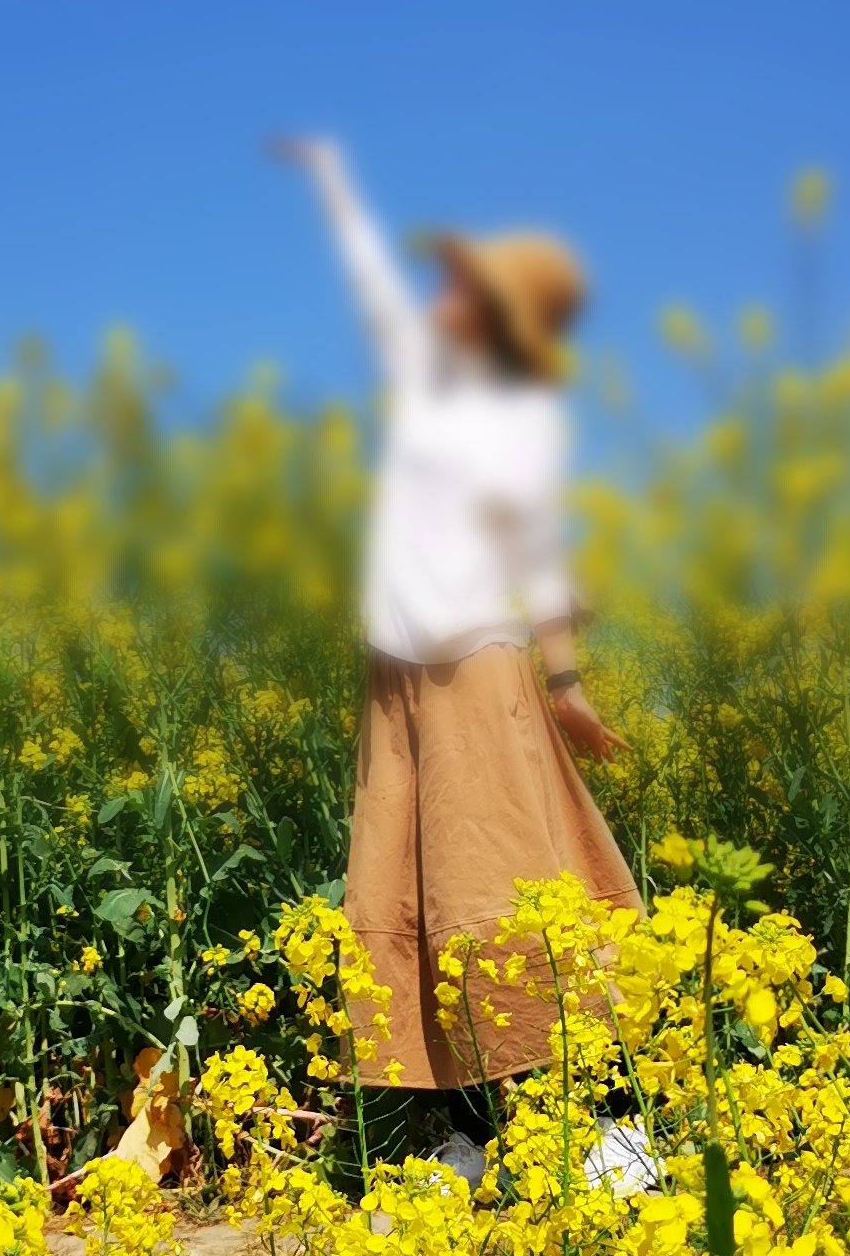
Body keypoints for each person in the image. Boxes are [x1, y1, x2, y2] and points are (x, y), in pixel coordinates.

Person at [272, 136, 640, 1169]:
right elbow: (371, 282)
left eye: (462, 287)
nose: (436, 299)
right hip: (399, 685)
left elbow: (543, 555)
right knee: (420, 903)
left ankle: (610, 1127)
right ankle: (471, 1133)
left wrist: (564, 687)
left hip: (478, 674)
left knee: (511, 899)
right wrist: (333, 180)